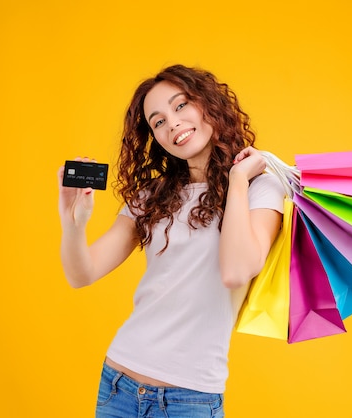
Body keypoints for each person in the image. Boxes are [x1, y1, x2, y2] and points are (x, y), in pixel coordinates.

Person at [58, 64, 285, 417]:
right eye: (158, 121)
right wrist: (73, 222)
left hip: (189, 399)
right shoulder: (153, 195)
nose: (172, 123)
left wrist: (238, 178)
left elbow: (237, 272)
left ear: (209, 104)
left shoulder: (261, 187)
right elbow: (81, 274)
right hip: (118, 383)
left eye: (181, 106)